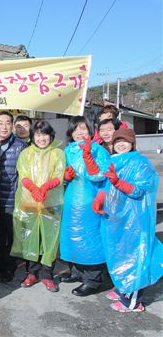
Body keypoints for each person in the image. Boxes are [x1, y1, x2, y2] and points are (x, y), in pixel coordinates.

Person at [92, 128, 162, 312]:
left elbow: (138, 191)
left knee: (135, 255)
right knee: (119, 253)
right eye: (117, 141)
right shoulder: (114, 160)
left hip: (135, 219)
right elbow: (106, 184)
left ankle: (133, 301)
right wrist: (100, 198)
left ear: (133, 143)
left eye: (125, 141)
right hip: (117, 218)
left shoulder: (141, 163)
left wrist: (118, 182)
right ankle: (124, 288)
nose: (120, 144)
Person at [11, 120, 65, 292]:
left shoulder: (58, 153)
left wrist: (45, 187)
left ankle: (48, 275)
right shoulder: (26, 153)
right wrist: (34, 188)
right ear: (33, 136)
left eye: (45, 134)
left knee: (50, 237)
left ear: (51, 136)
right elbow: (23, 174)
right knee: (31, 237)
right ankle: (32, 272)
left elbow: (59, 174)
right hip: (30, 202)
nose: (42, 138)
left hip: (51, 201)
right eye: (38, 134)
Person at [59, 116, 110, 297]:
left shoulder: (98, 151)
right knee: (72, 237)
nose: (80, 133)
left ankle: (93, 279)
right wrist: (65, 177)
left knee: (90, 240)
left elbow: (101, 176)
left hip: (90, 201)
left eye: (83, 128)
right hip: (71, 200)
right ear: (71, 133)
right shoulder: (67, 151)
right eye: (76, 129)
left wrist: (88, 156)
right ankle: (76, 272)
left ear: (90, 130)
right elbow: (60, 177)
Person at [0, 111, 27, 283]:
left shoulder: (21, 146)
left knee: (11, 235)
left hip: (12, 198)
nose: (3, 127)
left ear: (12, 126)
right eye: (0, 123)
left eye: (7, 123)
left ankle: (9, 268)